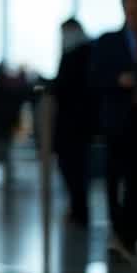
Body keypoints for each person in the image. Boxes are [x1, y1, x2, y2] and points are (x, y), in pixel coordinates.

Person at [91, 0, 137, 258]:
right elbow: (95, 78)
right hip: (119, 120)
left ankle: (136, 230)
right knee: (117, 177)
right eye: (129, 11)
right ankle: (121, 231)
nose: (134, 16)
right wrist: (118, 81)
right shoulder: (108, 42)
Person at [53, 18, 95, 227]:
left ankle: (79, 209)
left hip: (73, 124)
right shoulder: (89, 52)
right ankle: (78, 207)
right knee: (77, 168)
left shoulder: (75, 55)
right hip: (80, 123)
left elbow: (62, 87)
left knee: (73, 168)